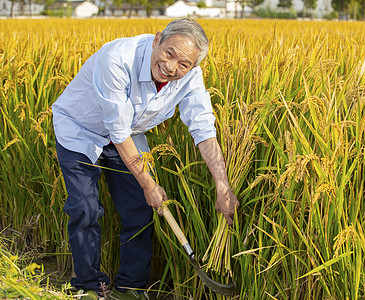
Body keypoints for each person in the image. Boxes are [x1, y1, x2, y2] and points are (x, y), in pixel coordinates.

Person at [52, 18, 239, 300]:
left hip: (129, 135)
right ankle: (89, 287)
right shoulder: (117, 58)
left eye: (184, 63)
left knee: (139, 210)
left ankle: (130, 288)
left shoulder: (190, 77)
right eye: (169, 53)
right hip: (81, 129)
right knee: (85, 208)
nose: (171, 67)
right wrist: (149, 184)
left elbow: (202, 128)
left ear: (194, 66)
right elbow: (117, 130)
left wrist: (222, 185)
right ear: (157, 39)